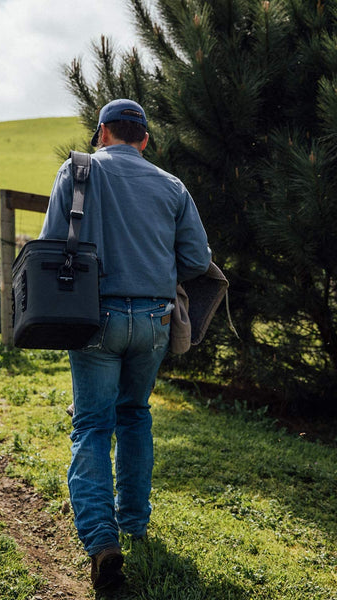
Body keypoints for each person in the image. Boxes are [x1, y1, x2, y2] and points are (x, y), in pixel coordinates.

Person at [39, 99, 211, 590]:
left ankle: (101, 539)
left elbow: (52, 244)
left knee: (92, 423)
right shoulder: (172, 186)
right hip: (155, 320)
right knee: (134, 414)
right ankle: (134, 521)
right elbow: (197, 259)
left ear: (101, 134)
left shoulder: (75, 172)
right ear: (145, 140)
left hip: (95, 318)